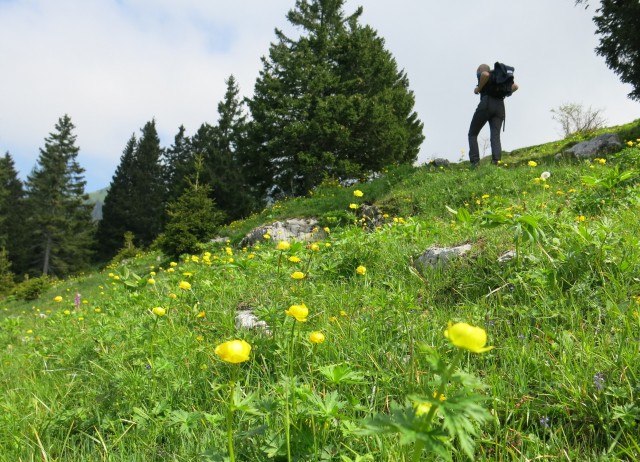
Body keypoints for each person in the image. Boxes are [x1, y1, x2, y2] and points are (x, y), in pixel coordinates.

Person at [468, 63, 518, 167]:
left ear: (479, 70)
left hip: (487, 103)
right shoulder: (500, 78)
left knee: (472, 133)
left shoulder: (485, 74)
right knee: (495, 136)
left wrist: (479, 88)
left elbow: (485, 75)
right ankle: (496, 162)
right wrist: (504, 93)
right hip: (500, 107)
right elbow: (515, 86)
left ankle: (475, 163)